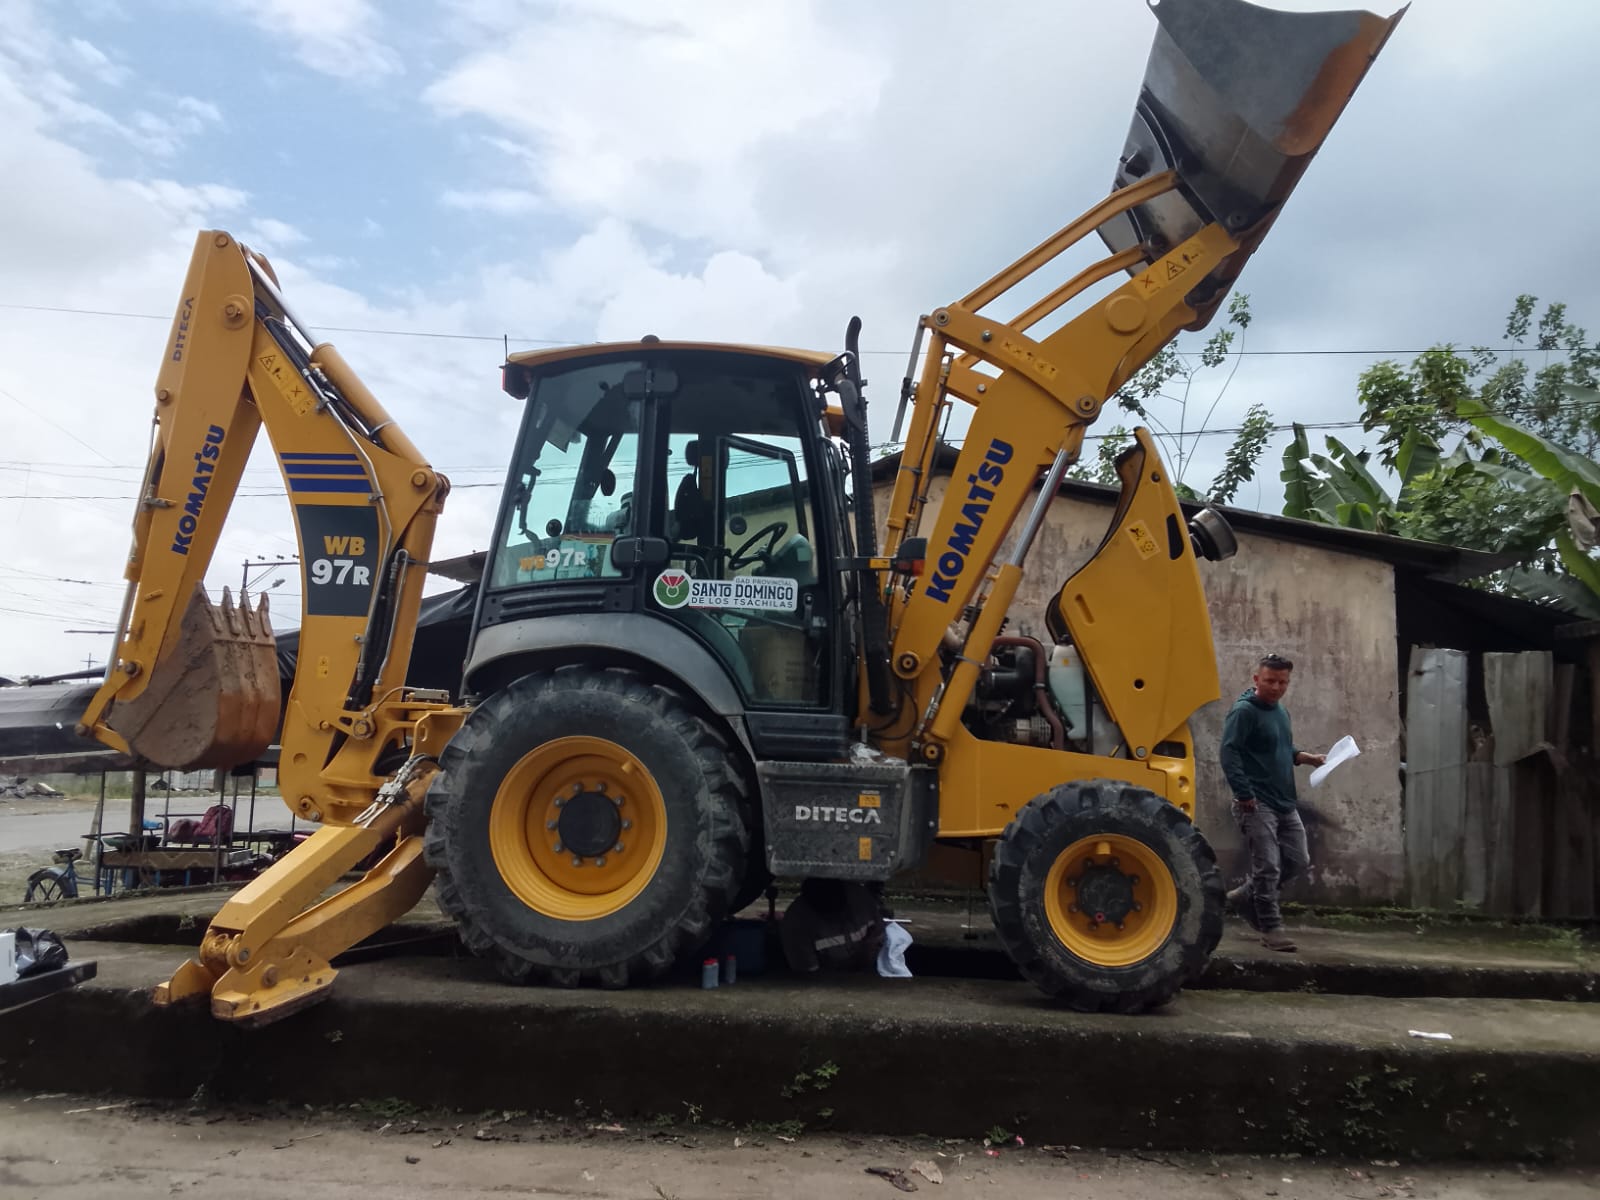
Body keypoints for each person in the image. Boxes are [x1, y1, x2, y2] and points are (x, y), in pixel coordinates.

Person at [1219, 653, 1326, 953]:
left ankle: (1243, 896)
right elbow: (1229, 753)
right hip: (1255, 802)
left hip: (1284, 801)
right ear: (1257, 679)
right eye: (1270, 681)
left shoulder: (1280, 711)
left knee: (1298, 859)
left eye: (1282, 682)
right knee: (1268, 866)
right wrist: (1244, 794)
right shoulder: (1243, 712)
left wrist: (1305, 758)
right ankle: (1270, 928)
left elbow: (1280, 746)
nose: (1276, 687)